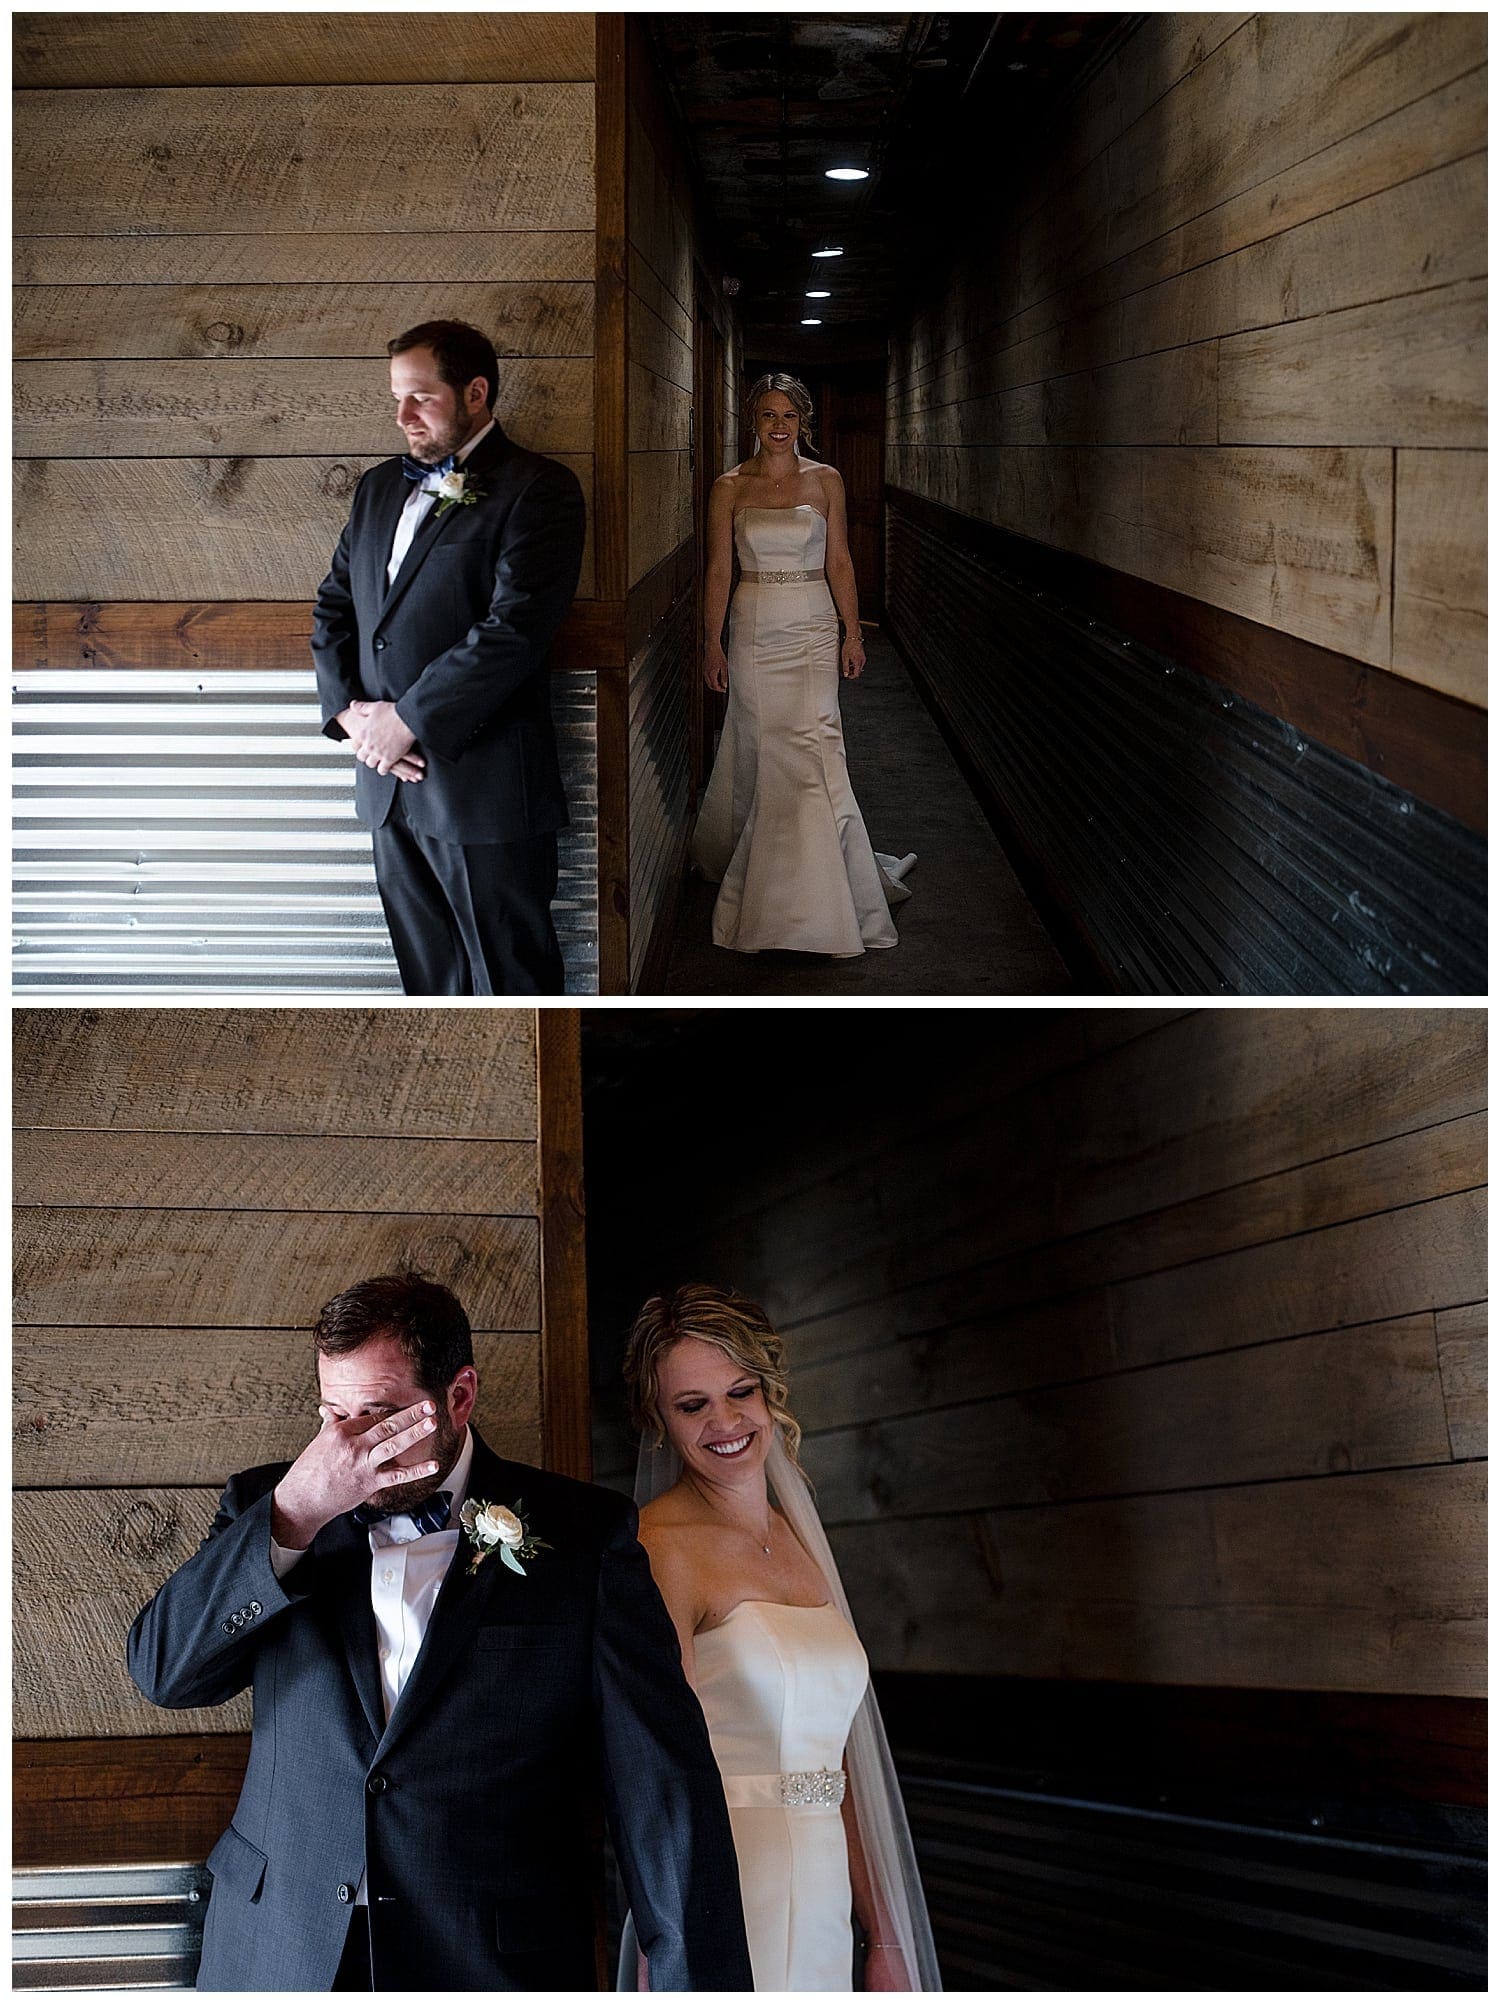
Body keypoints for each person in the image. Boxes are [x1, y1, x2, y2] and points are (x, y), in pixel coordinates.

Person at [127, 1272, 752, 1993]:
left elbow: (663, 1793)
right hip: (279, 1950)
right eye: (334, 1413)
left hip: (488, 1962)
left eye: (381, 1414)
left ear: (459, 1396)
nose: (351, 1445)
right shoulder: (270, 1508)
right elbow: (164, 1674)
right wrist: (295, 1513)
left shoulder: (585, 1539)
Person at [620, 1284, 941, 1992]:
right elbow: (655, 1769)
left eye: (740, 1392)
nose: (725, 1422)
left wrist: (883, 1933)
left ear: (768, 1393)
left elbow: (841, 1765)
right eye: (692, 1404)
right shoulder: (659, 1547)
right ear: (659, 1420)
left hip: (828, 1889)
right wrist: (661, 1949)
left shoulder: (800, 1538)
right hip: (727, 1884)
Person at [311, 320, 585, 996]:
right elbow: (335, 611)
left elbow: (514, 630)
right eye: (396, 398)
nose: (402, 416)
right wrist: (352, 720)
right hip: (385, 785)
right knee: (427, 984)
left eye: (421, 398)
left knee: (510, 982)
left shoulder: (538, 488)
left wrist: (409, 720)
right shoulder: (376, 487)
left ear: (475, 392)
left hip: (483, 788)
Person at [689, 373, 915, 957]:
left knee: (818, 746)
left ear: (804, 423)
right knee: (769, 749)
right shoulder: (729, 487)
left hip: (814, 624)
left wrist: (852, 632)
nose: (778, 426)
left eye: (788, 416)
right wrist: (712, 643)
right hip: (755, 627)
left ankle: (828, 895)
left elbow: (840, 560)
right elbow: (719, 570)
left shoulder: (828, 481)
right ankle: (775, 894)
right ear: (753, 423)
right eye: (767, 415)